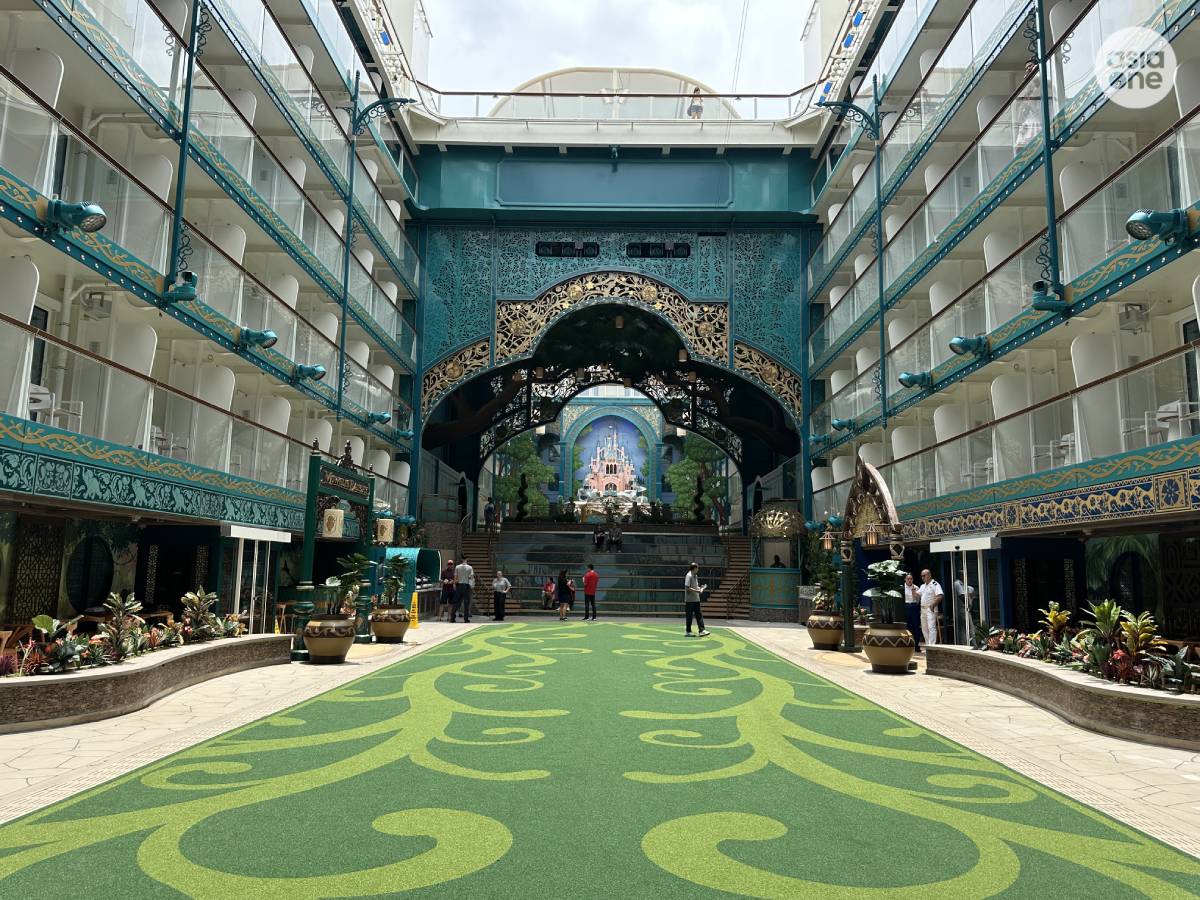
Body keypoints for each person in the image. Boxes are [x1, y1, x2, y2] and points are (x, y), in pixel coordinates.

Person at [917, 568, 943, 647]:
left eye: (924, 575)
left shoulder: (935, 584)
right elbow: (917, 595)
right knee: (924, 628)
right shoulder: (922, 586)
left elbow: (940, 595)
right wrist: (911, 588)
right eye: (921, 576)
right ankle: (928, 645)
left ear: (929, 575)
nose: (922, 577)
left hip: (930, 608)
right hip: (923, 609)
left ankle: (932, 646)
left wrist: (933, 605)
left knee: (931, 627)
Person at [684, 562, 710, 636]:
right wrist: (697, 591)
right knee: (689, 616)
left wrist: (700, 588)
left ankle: (702, 630)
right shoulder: (688, 576)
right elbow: (687, 588)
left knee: (699, 615)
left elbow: (695, 586)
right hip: (689, 600)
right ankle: (688, 632)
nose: (698, 569)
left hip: (696, 599)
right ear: (695, 568)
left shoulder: (695, 576)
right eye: (697, 568)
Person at [903, 572, 922, 653]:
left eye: (911, 579)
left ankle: (916, 645)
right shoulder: (902, 587)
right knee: (907, 626)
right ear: (905, 579)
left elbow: (918, 600)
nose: (910, 580)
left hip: (914, 607)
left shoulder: (916, 587)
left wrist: (914, 593)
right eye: (908, 579)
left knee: (916, 626)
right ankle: (907, 645)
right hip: (905, 607)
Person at [451, 555, 474, 623]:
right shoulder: (470, 567)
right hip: (466, 586)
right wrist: (471, 584)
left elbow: (455, 576)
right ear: (467, 560)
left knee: (456, 602)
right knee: (466, 603)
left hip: (459, 585)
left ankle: (452, 618)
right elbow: (471, 577)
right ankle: (466, 619)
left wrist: (454, 584)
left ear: (461, 560)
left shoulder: (457, 567)